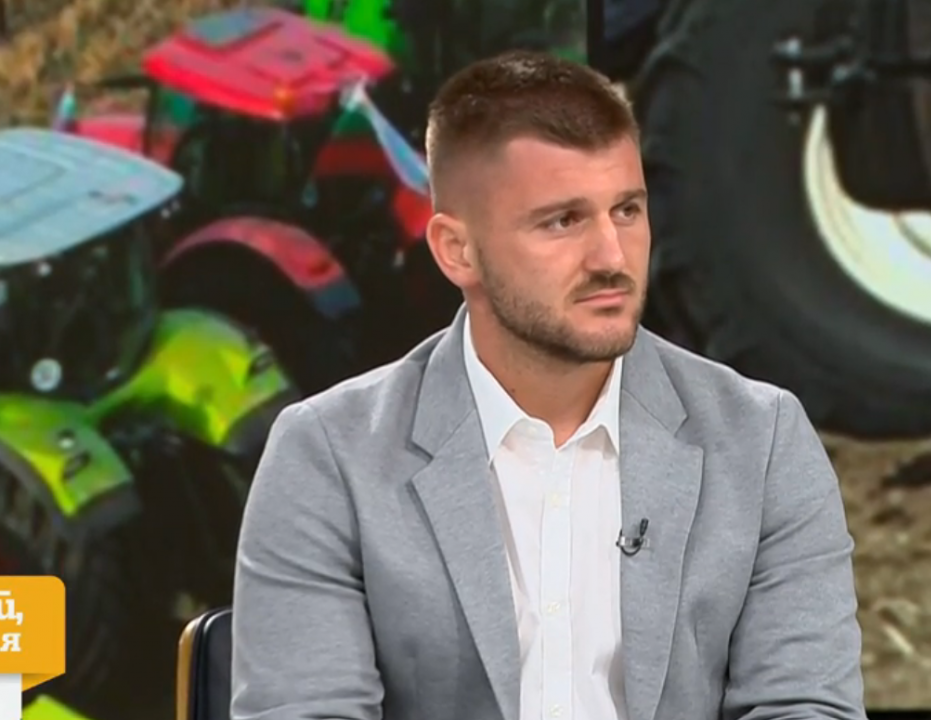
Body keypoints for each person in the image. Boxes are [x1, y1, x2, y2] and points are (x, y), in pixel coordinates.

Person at [231, 50, 866, 720]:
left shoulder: (761, 443)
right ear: (457, 251)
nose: (612, 258)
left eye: (627, 211)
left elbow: (804, 705)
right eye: (563, 221)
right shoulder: (329, 457)